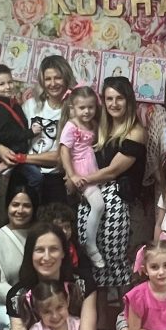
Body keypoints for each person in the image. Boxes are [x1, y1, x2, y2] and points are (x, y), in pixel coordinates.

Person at [77, 76, 148, 291]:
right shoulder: (100, 128)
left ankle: (127, 313)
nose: (114, 104)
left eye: (119, 98)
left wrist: (78, 180)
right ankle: (99, 313)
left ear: (128, 101)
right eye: (109, 99)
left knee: (122, 269)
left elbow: (112, 171)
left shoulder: (135, 132)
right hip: (97, 203)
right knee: (98, 271)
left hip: (126, 207)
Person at [17, 55, 77, 204]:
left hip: (56, 179)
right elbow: (13, 135)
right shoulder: (30, 105)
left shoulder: (74, 110)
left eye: (58, 78)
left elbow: (61, 156)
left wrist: (21, 158)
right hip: (26, 174)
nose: (53, 83)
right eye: (48, 79)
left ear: (66, 78)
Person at [58, 84, 106, 268]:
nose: (87, 111)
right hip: (80, 171)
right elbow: (64, 151)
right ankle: (90, 245)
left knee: (97, 206)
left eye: (91, 107)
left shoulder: (92, 124)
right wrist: (72, 175)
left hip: (92, 168)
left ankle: (92, 241)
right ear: (73, 108)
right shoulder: (71, 126)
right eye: (82, 107)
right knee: (98, 205)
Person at [0, 64, 44, 194]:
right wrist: (30, 133)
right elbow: (3, 135)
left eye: (10, 82)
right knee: (36, 178)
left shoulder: (13, 104)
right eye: (1, 84)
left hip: (21, 152)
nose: (7, 87)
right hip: (12, 154)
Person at [0, 185, 39, 309]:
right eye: (15, 205)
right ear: (7, 206)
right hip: (9, 306)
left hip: (44, 304)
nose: (20, 210)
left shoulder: (42, 235)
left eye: (26, 206)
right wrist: (27, 303)